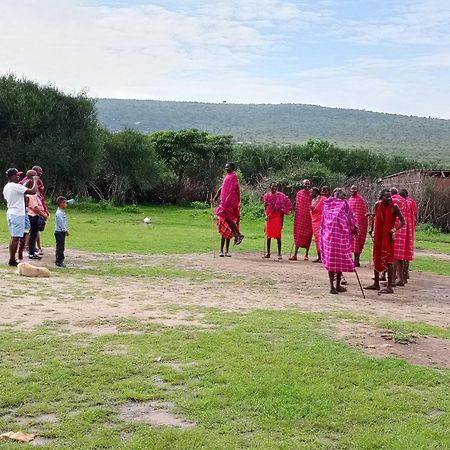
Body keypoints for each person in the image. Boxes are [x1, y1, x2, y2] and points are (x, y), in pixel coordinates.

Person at [365, 189, 405, 294]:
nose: (388, 198)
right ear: (381, 197)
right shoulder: (377, 205)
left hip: (388, 236)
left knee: (389, 259)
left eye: (389, 196)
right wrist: (372, 229)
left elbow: (402, 221)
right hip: (378, 235)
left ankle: (389, 286)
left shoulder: (394, 207)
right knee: (377, 257)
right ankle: (376, 283)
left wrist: (394, 230)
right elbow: (375, 216)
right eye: (386, 197)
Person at [320, 188, 358, 294]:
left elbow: (351, 217)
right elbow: (326, 219)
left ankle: (338, 285)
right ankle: (332, 286)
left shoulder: (345, 204)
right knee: (332, 262)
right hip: (330, 237)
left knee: (339, 261)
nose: (345, 196)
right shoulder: (328, 204)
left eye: (345, 194)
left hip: (341, 236)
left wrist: (354, 225)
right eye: (343, 194)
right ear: (336, 194)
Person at [2, 168, 39, 266]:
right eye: (16, 175)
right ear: (11, 176)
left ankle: (14, 257)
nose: (18, 176)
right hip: (17, 214)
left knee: (16, 236)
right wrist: (35, 180)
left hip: (12, 212)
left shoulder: (7, 187)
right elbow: (33, 191)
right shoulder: (15, 186)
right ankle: (12, 260)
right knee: (16, 238)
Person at [212, 162, 244, 247]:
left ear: (232, 168)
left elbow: (232, 190)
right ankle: (237, 235)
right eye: (225, 167)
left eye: (228, 167)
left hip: (229, 202)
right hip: (224, 201)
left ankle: (239, 235)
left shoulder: (233, 176)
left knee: (228, 218)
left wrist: (227, 201)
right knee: (227, 218)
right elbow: (222, 188)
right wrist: (215, 198)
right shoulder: (227, 176)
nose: (226, 168)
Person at [262, 183, 292, 259]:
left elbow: (287, 201)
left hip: (277, 217)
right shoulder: (266, 196)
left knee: (278, 235)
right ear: (270, 187)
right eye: (273, 186)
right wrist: (265, 215)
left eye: (275, 186)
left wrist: (287, 209)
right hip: (269, 217)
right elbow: (265, 207)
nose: (274, 188)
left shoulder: (281, 195)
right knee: (268, 235)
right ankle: (268, 253)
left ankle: (279, 253)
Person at [391, 188, 412, 286]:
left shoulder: (395, 201)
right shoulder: (406, 202)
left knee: (394, 256)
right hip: (405, 231)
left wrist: (392, 230)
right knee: (400, 257)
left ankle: (391, 280)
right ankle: (401, 279)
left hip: (397, 230)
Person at [290, 179, 313, 261]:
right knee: (298, 235)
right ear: (302, 185)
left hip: (309, 217)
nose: (307, 186)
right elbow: (297, 205)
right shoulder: (299, 194)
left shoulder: (311, 194)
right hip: (300, 217)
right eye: (305, 184)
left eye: (308, 184)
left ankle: (306, 254)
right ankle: (295, 254)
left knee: (308, 235)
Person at [26, 178, 48, 260]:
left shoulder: (28, 195)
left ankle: (32, 252)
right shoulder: (31, 195)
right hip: (33, 216)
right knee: (33, 235)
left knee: (33, 234)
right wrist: (43, 215)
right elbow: (35, 208)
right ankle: (31, 253)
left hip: (32, 216)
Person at [348, 185, 369, 267]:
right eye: (352, 189)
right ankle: (353, 260)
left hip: (359, 223)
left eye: (355, 189)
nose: (353, 190)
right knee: (351, 241)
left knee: (358, 241)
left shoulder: (361, 200)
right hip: (351, 224)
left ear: (358, 190)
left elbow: (363, 213)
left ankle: (357, 260)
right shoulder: (350, 199)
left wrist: (359, 223)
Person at [400, 189, 417, 281]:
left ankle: (402, 275)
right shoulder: (411, 202)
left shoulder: (405, 203)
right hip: (409, 228)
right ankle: (405, 274)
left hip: (403, 229)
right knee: (407, 250)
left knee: (401, 253)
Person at [310, 187, 324, 262]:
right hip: (314, 221)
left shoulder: (322, 199)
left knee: (320, 238)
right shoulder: (313, 200)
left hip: (321, 221)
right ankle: (319, 256)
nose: (310, 194)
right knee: (316, 239)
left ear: (316, 192)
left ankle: (323, 257)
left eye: (312, 192)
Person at [55, 196, 69, 267]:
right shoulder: (59, 213)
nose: (66, 204)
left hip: (60, 231)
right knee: (60, 247)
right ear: (61, 203)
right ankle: (59, 261)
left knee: (60, 246)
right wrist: (65, 230)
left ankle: (58, 260)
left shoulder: (61, 212)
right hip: (60, 232)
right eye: (65, 203)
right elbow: (61, 223)